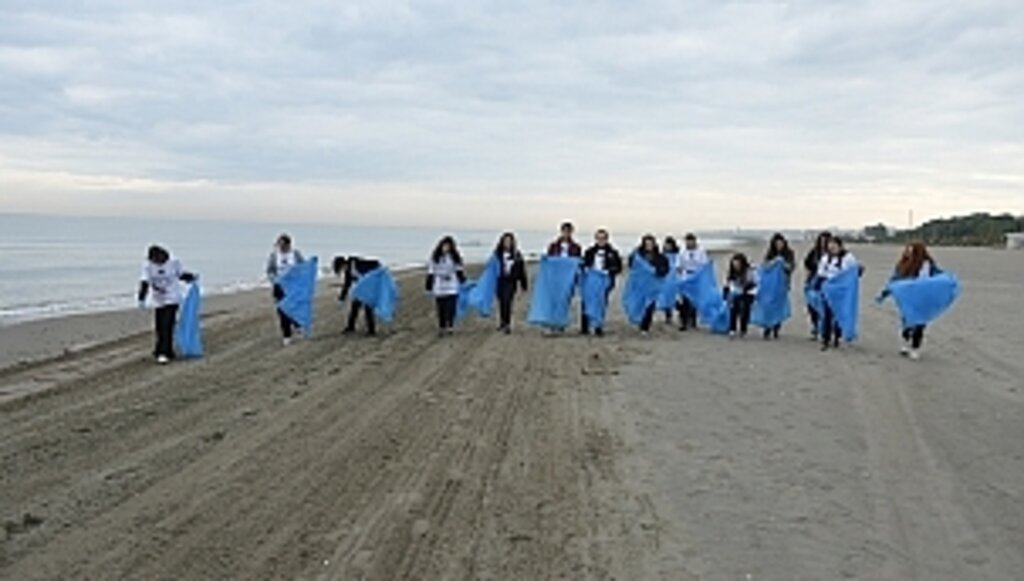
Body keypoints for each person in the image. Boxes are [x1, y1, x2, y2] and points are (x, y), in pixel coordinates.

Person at [138, 245, 195, 364]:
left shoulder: (173, 263)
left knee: (167, 325)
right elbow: (145, 282)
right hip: (158, 301)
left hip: (172, 299)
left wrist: (191, 278)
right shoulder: (148, 266)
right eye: (153, 259)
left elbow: (180, 275)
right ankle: (164, 350)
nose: (156, 261)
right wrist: (141, 298)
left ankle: (164, 353)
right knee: (159, 326)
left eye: (158, 259)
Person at [885, 241, 942, 360]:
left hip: (924, 298)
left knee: (920, 324)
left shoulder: (928, 264)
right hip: (908, 298)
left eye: (912, 251)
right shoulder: (903, 264)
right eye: (908, 250)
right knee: (907, 323)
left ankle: (915, 347)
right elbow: (895, 278)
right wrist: (887, 290)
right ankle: (906, 341)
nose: (909, 253)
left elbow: (938, 276)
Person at [816, 236, 859, 351]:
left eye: (834, 245)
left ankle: (837, 336)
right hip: (828, 289)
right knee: (827, 314)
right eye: (830, 245)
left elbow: (853, 271)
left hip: (842, 291)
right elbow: (821, 274)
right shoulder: (825, 258)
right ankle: (826, 338)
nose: (832, 247)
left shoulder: (848, 258)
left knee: (840, 313)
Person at [265, 234, 306, 346]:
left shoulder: (296, 254)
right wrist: (274, 280)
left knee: (292, 309)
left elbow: (303, 267)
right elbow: (270, 270)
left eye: (283, 244)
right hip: (280, 287)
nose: (280, 247)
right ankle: (286, 335)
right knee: (281, 310)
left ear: (288, 244)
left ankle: (297, 324)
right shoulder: (274, 256)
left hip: (293, 287)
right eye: (279, 244)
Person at [581, 229, 623, 336]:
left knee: (601, 303)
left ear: (607, 239)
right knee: (587, 302)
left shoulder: (613, 252)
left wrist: (609, 271)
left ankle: (598, 326)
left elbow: (619, 268)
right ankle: (585, 326)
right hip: (590, 281)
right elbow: (583, 264)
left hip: (604, 282)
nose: (601, 240)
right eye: (599, 238)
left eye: (603, 238)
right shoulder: (589, 251)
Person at [629, 234, 670, 335]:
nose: (649, 246)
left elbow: (665, 269)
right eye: (646, 244)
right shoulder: (639, 256)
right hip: (641, 286)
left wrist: (657, 271)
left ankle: (645, 327)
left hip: (654, 287)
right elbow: (632, 266)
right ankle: (640, 321)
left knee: (650, 306)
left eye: (650, 244)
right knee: (639, 304)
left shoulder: (660, 257)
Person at [427, 235, 466, 337]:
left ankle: (450, 325)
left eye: (448, 246)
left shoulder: (455, 258)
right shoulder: (435, 258)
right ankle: (442, 326)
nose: (446, 248)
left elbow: (459, 271)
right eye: (444, 246)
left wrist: (463, 282)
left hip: (452, 286)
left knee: (451, 307)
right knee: (441, 308)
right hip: (439, 286)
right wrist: (429, 285)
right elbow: (431, 272)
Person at [334, 254, 382, 336]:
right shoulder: (348, 270)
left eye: (340, 268)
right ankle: (351, 327)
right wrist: (342, 298)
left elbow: (376, 264)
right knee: (355, 307)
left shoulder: (357, 263)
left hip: (370, 286)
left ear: (343, 264)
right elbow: (347, 284)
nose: (342, 270)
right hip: (361, 289)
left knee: (368, 309)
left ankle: (371, 330)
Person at [761, 232, 796, 339]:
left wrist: (783, 263)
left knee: (779, 305)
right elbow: (764, 267)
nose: (779, 245)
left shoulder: (789, 253)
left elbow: (791, 267)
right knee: (768, 304)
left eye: (780, 243)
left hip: (782, 283)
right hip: (769, 284)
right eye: (777, 243)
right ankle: (767, 327)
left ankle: (776, 327)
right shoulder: (770, 253)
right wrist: (774, 262)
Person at [495, 232, 528, 334]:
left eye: (509, 241)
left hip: (511, 281)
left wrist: (524, 284)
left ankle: (508, 324)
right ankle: (502, 322)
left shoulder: (517, 255)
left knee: (507, 301)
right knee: (501, 302)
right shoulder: (497, 254)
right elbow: (491, 268)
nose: (507, 243)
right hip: (500, 281)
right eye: (505, 241)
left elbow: (522, 270)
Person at [676, 233, 709, 331]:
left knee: (694, 301)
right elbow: (678, 265)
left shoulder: (701, 251)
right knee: (684, 301)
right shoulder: (682, 252)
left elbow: (704, 265)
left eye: (691, 241)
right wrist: (680, 276)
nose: (689, 243)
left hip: (697, 278)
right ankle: (684, 322)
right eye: (687, 241)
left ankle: (693, 321)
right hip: (686, 277)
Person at [803, 231, 832, 340]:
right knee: (812, 306)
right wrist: (807, 280)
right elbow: (807, 265)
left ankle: (825, 329)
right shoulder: (814, 253)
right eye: (821, 241)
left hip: (829, 284)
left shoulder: (834, 254)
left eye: (826, 241)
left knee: (826, 307)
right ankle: (816, 327)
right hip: (814, 283)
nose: (823, 243)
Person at [724, 253, 757, 338]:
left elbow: (754, 283)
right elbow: (727, 284)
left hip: (749, 293)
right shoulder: (731, 272)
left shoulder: (749, 271)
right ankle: (732, 329)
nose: (736, 266)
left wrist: (744, 290)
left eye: (738, 264)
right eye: (734, 264)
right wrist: (725, 293)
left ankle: (743, 329)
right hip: (736, 292)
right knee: (733, 307)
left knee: (745, 308)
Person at [661, 236, 681, 323]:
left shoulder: (677, 255)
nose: (667, 246)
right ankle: (668, 316)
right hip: (665, 279)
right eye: (666, 245)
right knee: (665, 297)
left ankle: (682, 314)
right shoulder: (662, 256)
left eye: (669, 245)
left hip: (675, 279)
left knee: (676, 298)